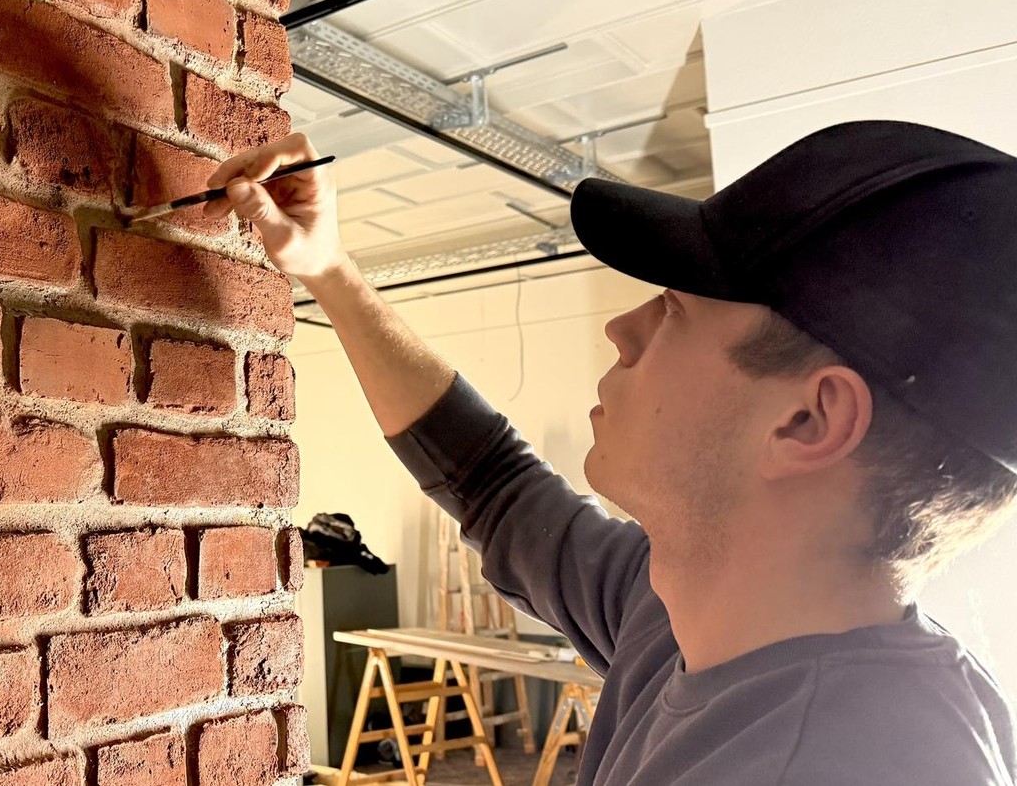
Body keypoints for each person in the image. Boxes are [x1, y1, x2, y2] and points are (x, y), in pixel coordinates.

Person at [203, 121, 1017, 784]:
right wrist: (327, 268)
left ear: (808, 421)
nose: (622, 329)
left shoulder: (843, 764)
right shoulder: (684, 610)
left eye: (675, 311)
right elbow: (491, 481)